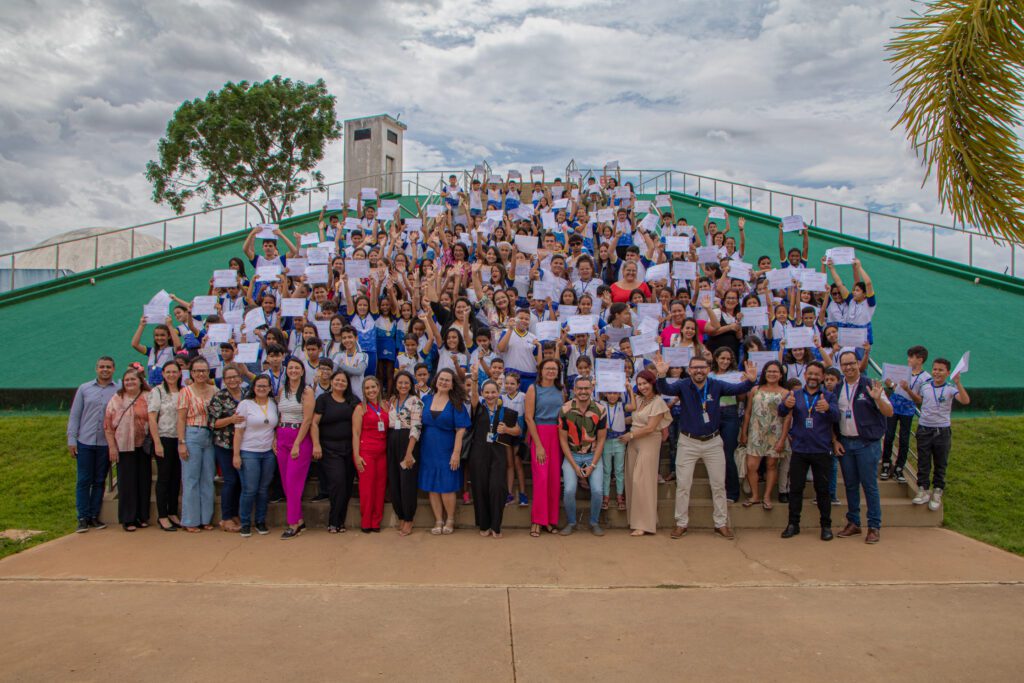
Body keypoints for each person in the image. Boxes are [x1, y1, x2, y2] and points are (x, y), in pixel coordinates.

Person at [654, 354, 758, 540]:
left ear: (708, 369)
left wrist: (751, 380)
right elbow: (665, 388)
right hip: (687, 442)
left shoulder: (716, 385)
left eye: (702, 367)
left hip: (712, 442)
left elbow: (737, 388)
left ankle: (720, 523)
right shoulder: (683, 385)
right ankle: (681, 523)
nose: (699, 371)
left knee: (718, 485)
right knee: (683, 485)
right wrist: (661, 375)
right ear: (690, 370)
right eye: (695, 367)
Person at [834, 350, 893, 544]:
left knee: (869, 485)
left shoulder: (870, 385)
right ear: (840, 367)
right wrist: (836, 440)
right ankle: (854, 522)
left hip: (867, 443)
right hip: (846, 443)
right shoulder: (838, 387)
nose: (849, 367)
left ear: (858, 363)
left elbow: (889, 411)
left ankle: (874, 525)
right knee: (850, 485)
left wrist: (877, 398)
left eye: (852, 363)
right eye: (844, 364)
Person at [776, 361, 840, 540]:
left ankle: (826, 526)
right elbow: (781, 413)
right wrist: (785, 405)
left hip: (821, 450)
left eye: (817, 374)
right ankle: (793, 524)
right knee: (796, 489)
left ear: (822, 377)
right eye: (810, 373)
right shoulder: (794, 394)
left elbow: (836, 417)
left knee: (823, 490)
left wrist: (828, 409)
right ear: (805, 375)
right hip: (800, 450)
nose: (813, 377)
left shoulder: (828, 396)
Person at [905, 358, 970, 511]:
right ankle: (923, 490)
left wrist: (958, 383)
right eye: (935, 369)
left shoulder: (950, 388)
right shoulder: (925, 386)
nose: (937, 372)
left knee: (940, 463)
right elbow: (919, 400)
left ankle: (937, 491)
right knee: (923, 461)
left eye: (941, 370)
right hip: (924, 429)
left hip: (942, 431)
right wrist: (907, 390)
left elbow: (965, 400)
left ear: (947, 373)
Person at [68, 356, 118, 532]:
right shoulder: (84, 389)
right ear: (96, 369)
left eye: (108, 367)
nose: (105, 370)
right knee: (83, 480)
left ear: (113, 369)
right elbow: (75, 415)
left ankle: (93, 516)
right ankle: (82, 517)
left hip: (105, 443)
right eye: (102, 367)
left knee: (99, 481)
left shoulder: (118, 389)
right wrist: (71, 440)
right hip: (85, 441)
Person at [419, 368, 472, 535]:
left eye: (447, 380)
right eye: (441, 379)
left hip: (447, 448)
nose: (443, 382)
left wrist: (456, 453)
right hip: (427, 448)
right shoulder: (426, 399)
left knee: (447, 486)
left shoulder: (456, 403)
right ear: (436, 380)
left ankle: (450, 519)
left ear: (452, 384)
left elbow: (461, 430)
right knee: (432, 486)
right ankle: (438, 520)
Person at [468, 376, 520, 537]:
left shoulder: (507, 412)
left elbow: (518, 430)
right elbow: (474, 397)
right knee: (480, 488)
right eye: (487, 392)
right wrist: (475, 381)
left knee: (497, 488)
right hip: (479, 453)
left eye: (493, 392)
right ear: (482, 393)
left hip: (498, 453)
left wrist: (507, 430)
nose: (490, 395)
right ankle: (484, 525)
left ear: (499, 393)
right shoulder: (477, 408)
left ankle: (496, 526)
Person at [556, 375, 608, 536]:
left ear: (591, 390)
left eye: (586, 388)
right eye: (580, 388)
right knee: (570, 490)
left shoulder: (600, 410)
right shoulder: (565, 409)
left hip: (593, 455)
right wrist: (573, 465)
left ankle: (594, 521)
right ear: (574, 390)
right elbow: (563, 440)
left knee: (598, 491)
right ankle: (571, 522)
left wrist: (592, 465)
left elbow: (601, 440)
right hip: (572, 455)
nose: (583, 391)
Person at [622, 370, 672, 536]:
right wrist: (613, 421)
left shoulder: (658, 402)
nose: (643, 387)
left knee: (642, 482)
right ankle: (636, 520)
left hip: (648, 441)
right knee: (631, 480)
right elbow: (633, 419)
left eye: (646, 383)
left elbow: (650, 427)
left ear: (652, 383)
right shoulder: (638, 399)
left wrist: (629, 435)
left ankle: (644, 524)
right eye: (640, 383)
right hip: (633, 442)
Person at [311, 371, 359, 533]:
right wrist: (316, 444)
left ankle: (340, 521)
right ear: (331, 382)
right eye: (337, 380)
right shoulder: (323, 399)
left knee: (346, 486)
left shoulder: (353, 401)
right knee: (337, 483)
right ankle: (333, 521)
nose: (340, 383)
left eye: (343, 381)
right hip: (329, 449)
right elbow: (314, 423)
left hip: (349, 449)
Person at [103, 368, 152, 532]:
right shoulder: (117, 399)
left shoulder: (148, 397)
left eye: (133, 379)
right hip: (124, 446)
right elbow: (108, 425)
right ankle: (128, 518)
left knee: (143, 481)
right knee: (127, 483)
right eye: (127, 380)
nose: (130, 382)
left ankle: (142, 516)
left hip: (143, 446)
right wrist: (112, 447)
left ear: (140, 381)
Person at [739, 361, 790, 510]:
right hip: (755, 432)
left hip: (775, 433)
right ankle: (755, 495)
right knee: (751, 466)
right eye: (769, 371)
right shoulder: (755, 389)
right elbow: (748, 412)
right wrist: (744, 432)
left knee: (771, 465)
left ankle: (767, 496)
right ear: (764, 373)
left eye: (775, 371)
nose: (772, 374)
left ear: (781, 375)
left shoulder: (785, 393)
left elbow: (788, 418)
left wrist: (782, 439)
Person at [233, 375, 279, 537]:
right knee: (250, 489)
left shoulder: (273, 404)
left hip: (267, 453)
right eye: (259, 386)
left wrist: (274, 440)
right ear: (253, 388)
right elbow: (238, 431)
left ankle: (260, 521)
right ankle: (245, 522)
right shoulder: (245, 405)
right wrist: (236, 454)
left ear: (269, 388)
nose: (262, 389)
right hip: (248, 451)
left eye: (265, 386)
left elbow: (274, 428)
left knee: (263, 489)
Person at [524, 359, 565, 537]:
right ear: (541, 371)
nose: (550, 371)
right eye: (547, 368)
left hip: (557, 435)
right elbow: (528, 418)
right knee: (541, 479)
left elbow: (564, 414)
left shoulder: (561, 390)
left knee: (554, 480)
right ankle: (537, 521)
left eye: (554, 369)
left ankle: (550, 520)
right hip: (539, 433)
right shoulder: (533, 389)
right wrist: (538, 445)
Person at [177, 357, 218, 532]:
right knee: (191, 478)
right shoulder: (185, 392)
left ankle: (205, 518)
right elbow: (180, 418)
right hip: (192, 433)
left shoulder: (215, 390)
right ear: (191, 373)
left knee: (208, 478)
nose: (200, 374)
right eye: (197, 371)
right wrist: (181, 442)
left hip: (210, 436)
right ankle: (190, 520)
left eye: (203, 370)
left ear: (208, 372)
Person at [277, 357, 315, 539]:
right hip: (282, 434)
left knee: (293, 481)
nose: (293, 370)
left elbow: (307, 419)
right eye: (290, 367)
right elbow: (279, 414)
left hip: (298, 436)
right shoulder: (282, 390)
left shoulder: (307, 391)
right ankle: (299, 519)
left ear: (302, 371)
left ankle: (292, 523)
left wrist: (297, 444)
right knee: (285, 482)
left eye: (296, 368)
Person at [882, 345, 930, 483]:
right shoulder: (903, 371)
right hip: (894, 407)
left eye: (911, 357)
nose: (908, 360)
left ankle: (899, 468)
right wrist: (890, 384)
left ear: (920, 360)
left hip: (908, 410)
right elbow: (896, 388)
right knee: (889, 435)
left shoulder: (926, 378)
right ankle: (886, 464)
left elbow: (919, 399)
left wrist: (908, 390)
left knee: (904, 439)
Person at [207, 366, 246, 532]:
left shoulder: (247, 394)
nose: (232, 380)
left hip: (245, 444)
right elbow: (212, 423)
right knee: (230, 480)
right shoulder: (219, 397)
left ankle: (235, 513)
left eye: (235, 377)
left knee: (241, 481)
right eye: (228, 377)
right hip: (225, 444)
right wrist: (231, 419)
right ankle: (226, 517)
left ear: (240, 378)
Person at [147, 360, 183, 532]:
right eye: (168, 372)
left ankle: (172, 512)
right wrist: (157, 442)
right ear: (163, 374)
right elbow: (152, 418)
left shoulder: (184, 391)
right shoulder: (157, 392)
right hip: (164, 438)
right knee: (164, 478)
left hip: (181, 439)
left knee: (176, 477)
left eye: (174, 372)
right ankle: (162, 516)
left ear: (179, 373)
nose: (171, 375)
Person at [387, 371, 423, 536]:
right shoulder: (392, 401)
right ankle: (400, 515)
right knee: (394, 480)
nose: (403, 386)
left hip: (408, 442)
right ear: (395, 384)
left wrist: (409, 452)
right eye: (400, 383)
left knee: (407, 481)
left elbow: (416, 427)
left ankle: (409, 518)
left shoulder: (416, 401)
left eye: (406, 383)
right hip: (392, 440)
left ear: (411, 385)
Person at [352, 376, 389, 533]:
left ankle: (376, 521)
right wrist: (357, 456)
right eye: (367, 388)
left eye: (373, 387)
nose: (371, 390)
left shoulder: (386, 406)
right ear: (363, 391)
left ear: (378, 387)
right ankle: (366, 521)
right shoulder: (360, 408)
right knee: (367, 488)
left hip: (382, 453)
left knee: (380, 488)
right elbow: (355, 433)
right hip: (366, 452)